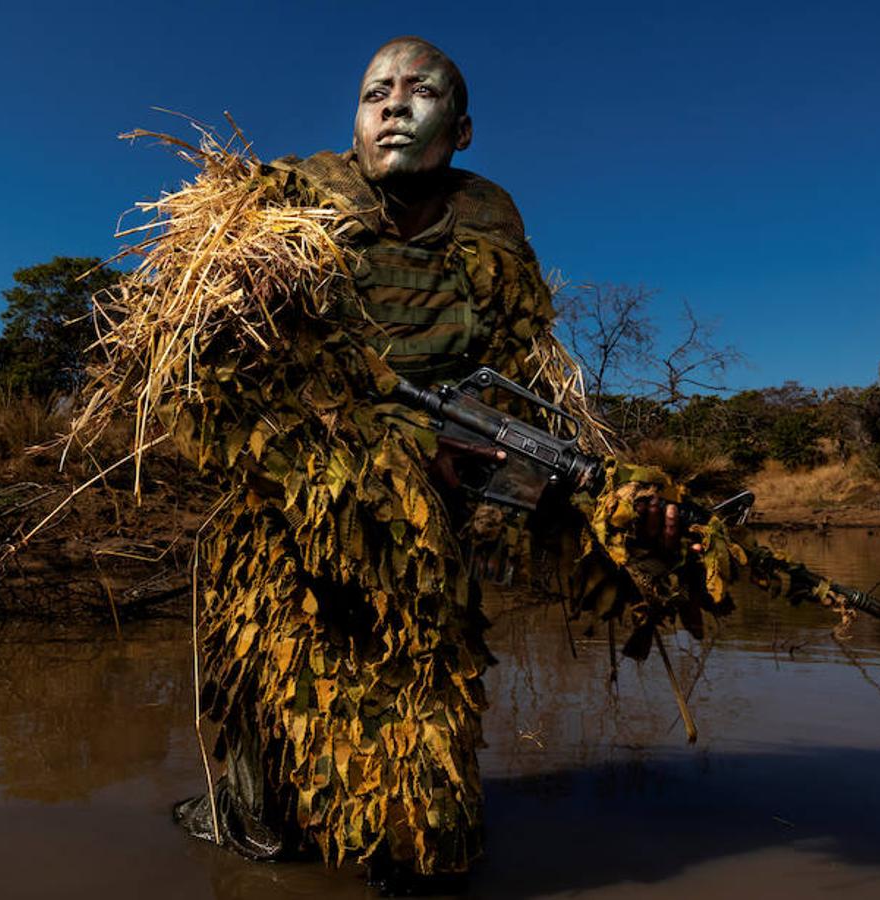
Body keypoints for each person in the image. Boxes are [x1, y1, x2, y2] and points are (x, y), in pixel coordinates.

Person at [168, 36, 699, 890]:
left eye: (422, 92)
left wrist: (606, 497)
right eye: (376, 90)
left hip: (428, 534)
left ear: (462, 127)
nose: (393, 105)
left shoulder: (489, 229)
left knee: (418, 740)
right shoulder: (283, 210)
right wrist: (384, 448)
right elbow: (214, 390)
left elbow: (525, 403)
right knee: (272, 750)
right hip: (289, 523)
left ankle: (408, 856)